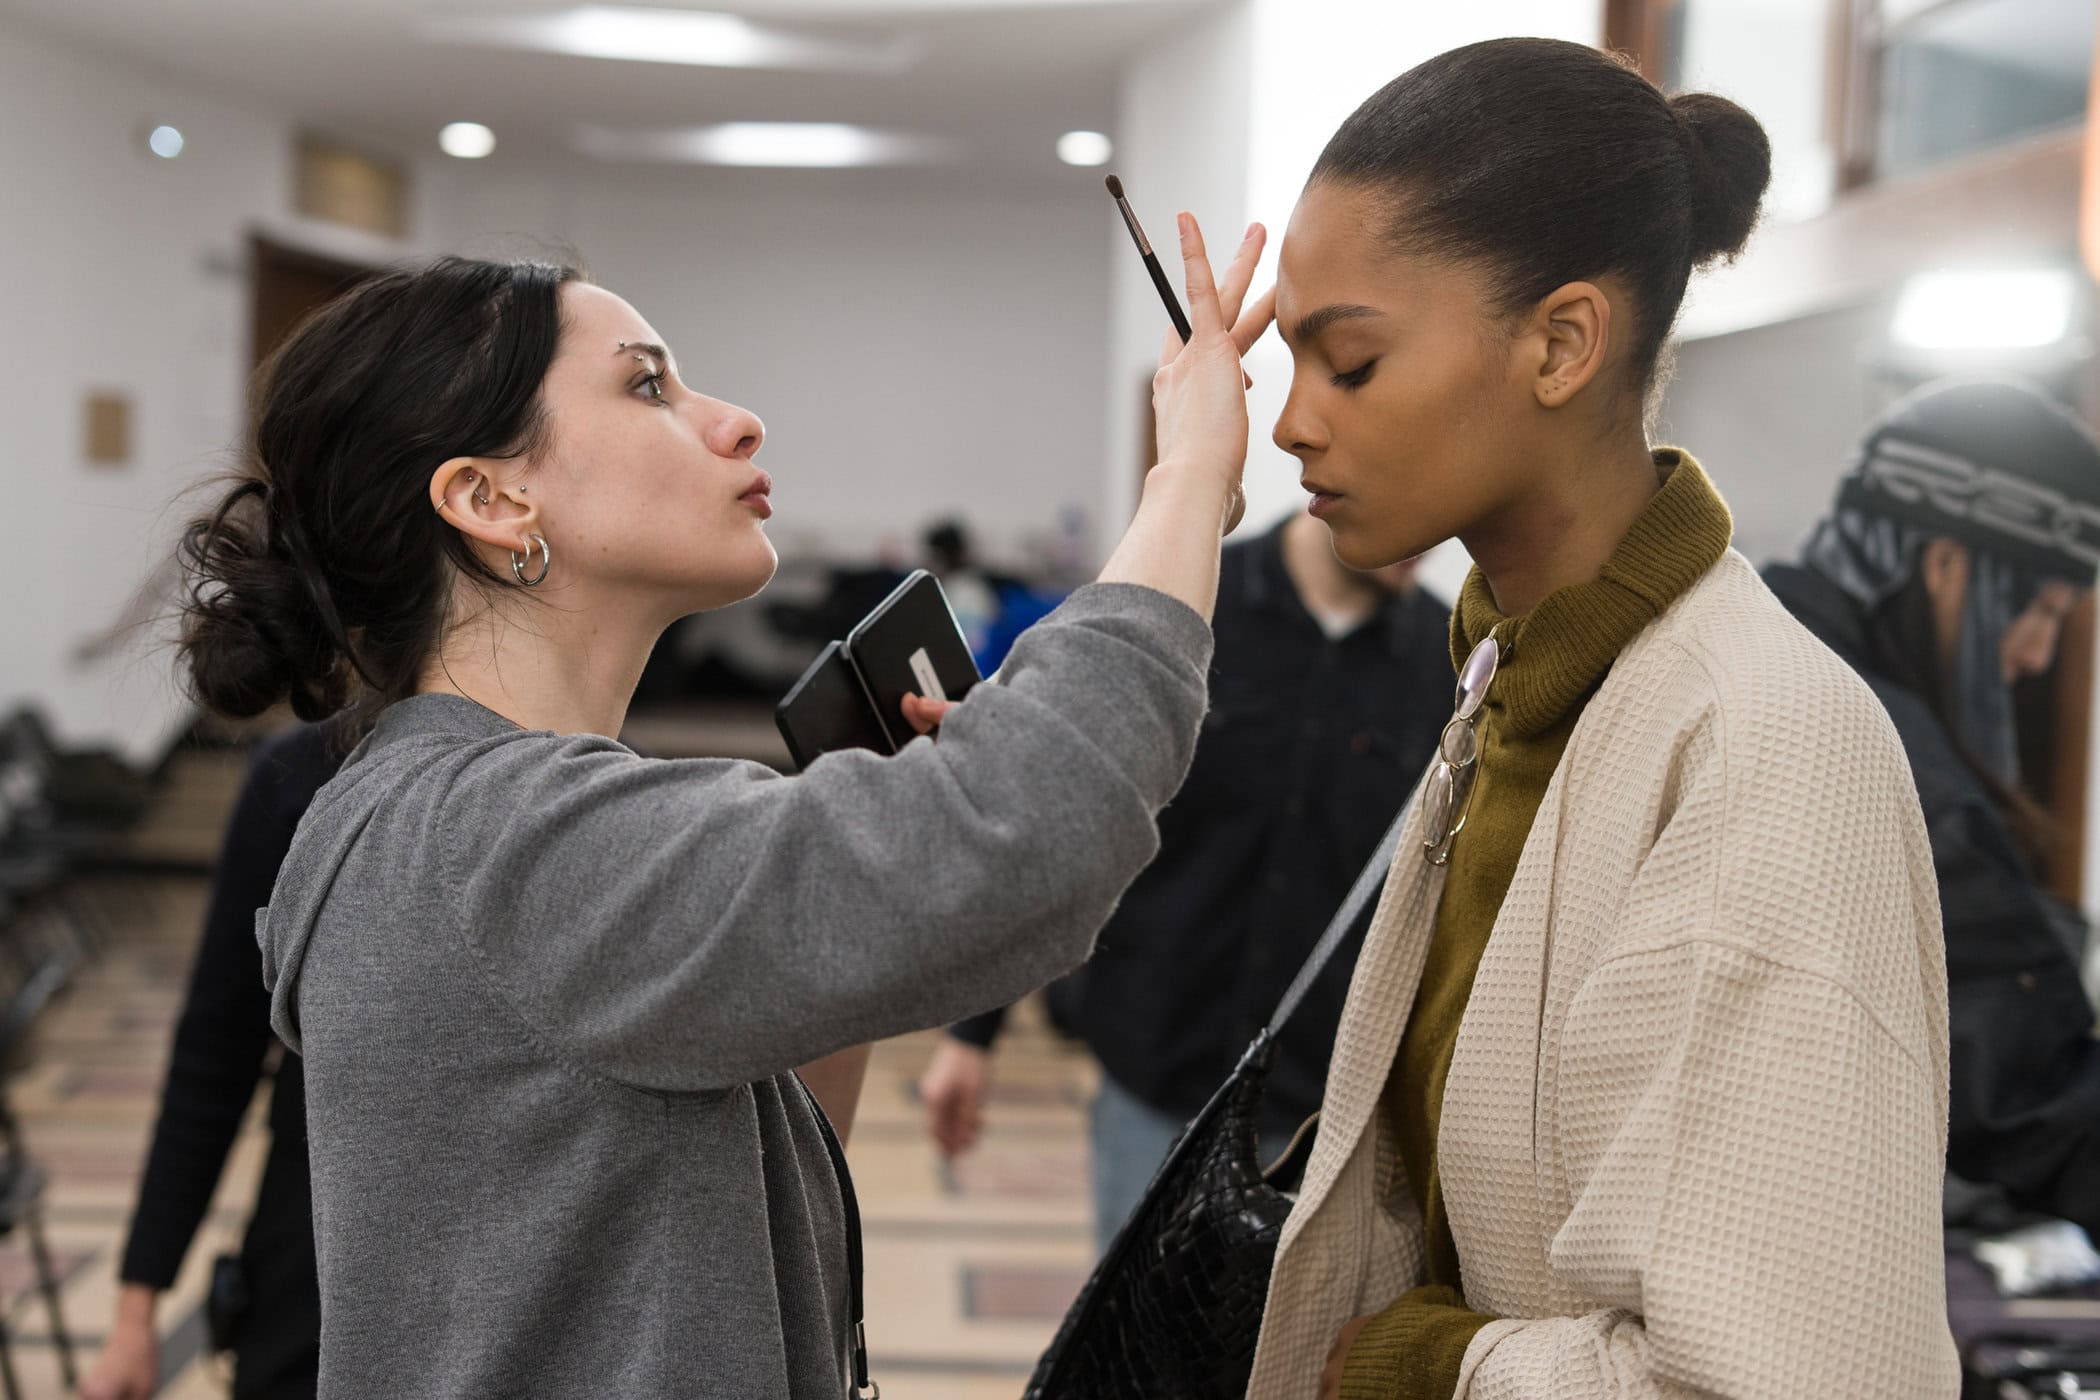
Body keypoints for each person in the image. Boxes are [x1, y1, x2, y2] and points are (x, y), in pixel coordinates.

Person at [174, 232, 1272, 1398]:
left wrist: (854, 869)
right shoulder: (499, 839)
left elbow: (747, 1200)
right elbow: (1039, 825)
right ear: (490, 497)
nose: (736, 420)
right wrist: (1190, 477)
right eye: (649, 385)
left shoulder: (454, 820)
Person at [1238, 38, 1957, 1400]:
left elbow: (1794, 1377)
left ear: (1563, 341)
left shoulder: (1761, 742)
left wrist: (1413, 1368)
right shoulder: (1512, 685)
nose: (1293, 425)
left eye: (1350, 363)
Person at [917, 510, 1450, 1252]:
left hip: (1318, 1112)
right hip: (1155, 1067)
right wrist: (972, 1032)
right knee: (1124, 1352)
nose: (1433, 532)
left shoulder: (1447, 661)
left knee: (1278, 1360)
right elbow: (1063, 821)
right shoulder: (1187, 607)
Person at [1764, 378, 2100, 1243]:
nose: (2033, 656)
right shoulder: (1873, 741)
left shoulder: (1762, 647)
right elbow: (2028, 1095)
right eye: (2045, 611)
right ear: (1948, 566)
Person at [83, 724, 338, 1400]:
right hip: (305, 1257)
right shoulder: (297, 776)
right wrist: (136, 1315)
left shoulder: (577, 779)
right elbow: (214, 1055)